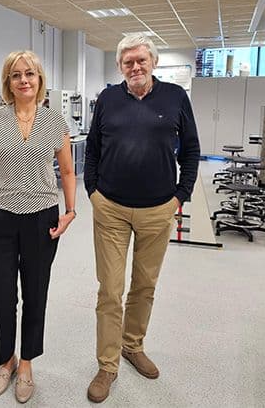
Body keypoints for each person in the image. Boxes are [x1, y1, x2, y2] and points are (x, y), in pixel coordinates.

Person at [84, 33, 200, 403]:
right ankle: (107, 364)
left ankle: (132, 346)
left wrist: (180, 196)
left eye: (141, 60)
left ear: (153, 62)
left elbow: (193, 149)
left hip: (158, 209)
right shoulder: (107, 99)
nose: (135, 67)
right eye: (128, 62)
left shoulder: (176, 98)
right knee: (110, 290)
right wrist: (93, 193)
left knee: (145, 285)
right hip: (111, 209)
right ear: (120, 66)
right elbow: (92, 149)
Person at [0, 50, 76, 404]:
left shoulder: (56, 122)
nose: (24, 80)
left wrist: (71, 211)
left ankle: (27, 364)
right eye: (16, 75)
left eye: (29, 74)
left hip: (42, 216)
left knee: (35, 292)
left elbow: (68, 171)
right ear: (8, 82)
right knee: (1, 294)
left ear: (39, 79)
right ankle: (6, 361)